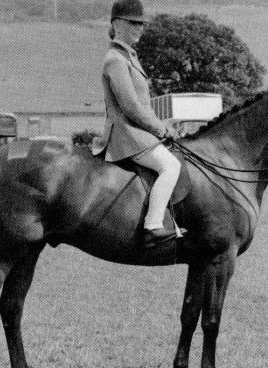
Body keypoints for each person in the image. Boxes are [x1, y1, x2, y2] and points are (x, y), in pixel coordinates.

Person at [92, 0, 185, 248]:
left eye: (141, 24)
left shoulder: (129, 56)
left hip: (136, 132)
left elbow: (143, 106)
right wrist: (160, 129)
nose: (139, 28)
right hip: (125, 134)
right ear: (116, 24)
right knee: (170, 166)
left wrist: (164, 122)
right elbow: (131, 107)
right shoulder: (115, 60)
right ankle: (152, 226)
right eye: (133, 23)